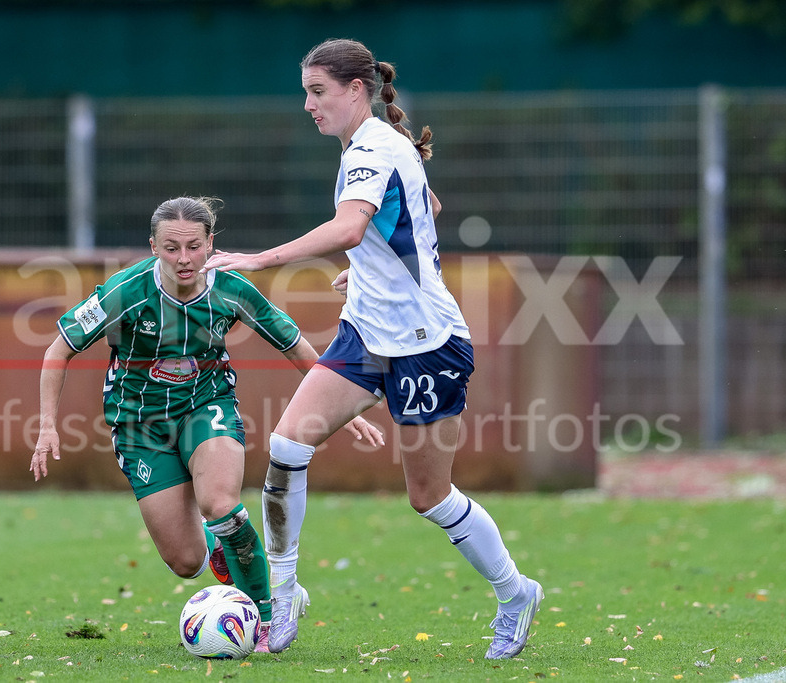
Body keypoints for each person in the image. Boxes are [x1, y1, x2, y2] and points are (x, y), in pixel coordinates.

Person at [202, 39, 543, 658]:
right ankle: (281, 598)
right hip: (365, 333)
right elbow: (424, 207)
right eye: (305, 92)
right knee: (286, 444)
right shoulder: (376, 146)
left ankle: (516, 592)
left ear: (355, 89)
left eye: (317, 91)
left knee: (429, 496)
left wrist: (260, 259)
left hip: (426, 345)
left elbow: (353, 224)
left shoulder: (375, 145)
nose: (307, 105)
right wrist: (369, 269)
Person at [29, 196, 382, 654]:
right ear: (153, 246)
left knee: (220, 502)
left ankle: (270, 613)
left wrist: (340, 404)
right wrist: (47, 428)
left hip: (207, 404)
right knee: (185, 561)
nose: (184, 259)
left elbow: (294, 344)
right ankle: (221, 551)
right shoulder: (126, 290)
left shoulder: (231, 288)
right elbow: (58, 350)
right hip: (138, 424)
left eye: (194, 246)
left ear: (210, 243)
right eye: (171, 248)